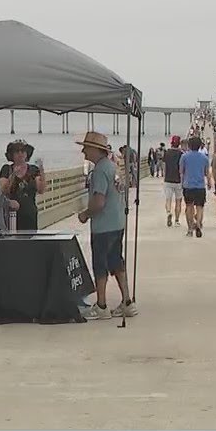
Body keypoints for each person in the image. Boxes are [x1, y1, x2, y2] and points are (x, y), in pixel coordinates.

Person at [77, 132, 137, 320]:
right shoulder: (113, 167)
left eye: (86, 147)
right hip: (117, 221)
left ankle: (101, 305)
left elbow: (99, 201)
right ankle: (127, 302)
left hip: (103, 226)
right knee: (117, 262)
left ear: (96, 150)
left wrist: (85, 214)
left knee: (100, 265)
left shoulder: (100, 171)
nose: (83, 150)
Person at [0, 140, 46, 230]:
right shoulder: (7, 169)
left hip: (30, 213)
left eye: (23, 151)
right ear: (12, 155)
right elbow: (4, 190)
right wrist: (13, 175)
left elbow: (41, 190)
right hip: (12, 213)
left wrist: (42, 171)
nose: (20, 154)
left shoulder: (33, 169)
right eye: (17, 152)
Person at [180, 136, 212, 238]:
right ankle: (198, 223)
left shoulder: (184, 157)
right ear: (199, 146)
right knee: (200, 207)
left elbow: (181, 172)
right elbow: (207, 173)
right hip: (200, 186)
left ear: (189, 145)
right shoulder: (204, 158)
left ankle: (190, 229)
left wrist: (182, 183)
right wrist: (209, 183)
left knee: (189, 207)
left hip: (188, 185)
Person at [162, 135, 185, 227]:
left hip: (168, 179)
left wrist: (164, 175)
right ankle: (177, 220)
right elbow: (182, 168)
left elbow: (164, 165)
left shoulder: (167, 153)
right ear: (179, 144)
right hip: (178, 180)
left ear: (171, 143)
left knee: (168, 199)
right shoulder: (181, 154)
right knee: (178, 201)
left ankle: (168, 212)